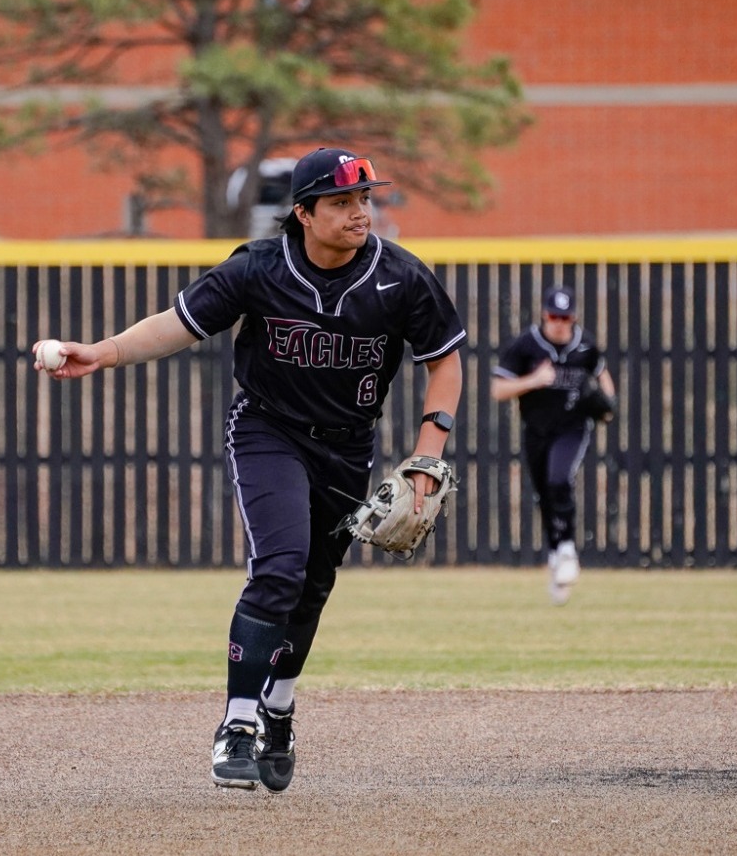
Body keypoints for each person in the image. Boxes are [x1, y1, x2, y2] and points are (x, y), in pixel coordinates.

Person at [31, 147, 465, 794]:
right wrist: (102, 354)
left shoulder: (399, 277)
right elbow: (179, 324)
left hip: (347, 446)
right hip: (269, 431)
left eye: (365, 199)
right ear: (303, 212)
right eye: (342, 202)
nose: (359, 213)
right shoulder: (261, 268)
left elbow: (445, 360)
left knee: (314, 584)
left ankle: (279, 708)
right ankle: (236, 724)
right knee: (281, 566)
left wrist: (429, 453)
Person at [491, 286, 615, 604]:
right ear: (544, 315)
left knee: (560, 479)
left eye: (566, 317)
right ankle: (556, 554)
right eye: (553, 316)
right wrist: (533, 381)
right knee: (545, 493)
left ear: (573, 318)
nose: (559, 323)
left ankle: (568, 550)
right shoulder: (526, 345)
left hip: (572, 427)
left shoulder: (584, 345)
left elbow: (602, 373)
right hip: (536, 429)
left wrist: (609, 404)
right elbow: (499, 390)